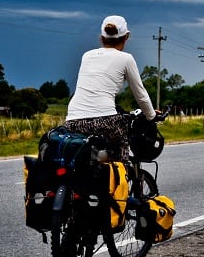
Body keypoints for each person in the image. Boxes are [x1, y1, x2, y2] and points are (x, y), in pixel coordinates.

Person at [65, 15, 158, 160]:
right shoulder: (126, 59)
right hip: (105, 120)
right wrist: (151, 116)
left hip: (73, 121)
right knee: (121, 150)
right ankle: (122, 178)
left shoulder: (87, 56)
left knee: (84, 156)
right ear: (127, 36)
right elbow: (141, 95)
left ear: (101, 36)